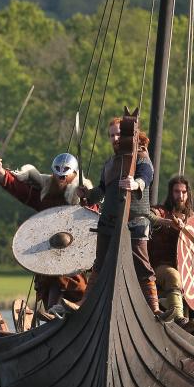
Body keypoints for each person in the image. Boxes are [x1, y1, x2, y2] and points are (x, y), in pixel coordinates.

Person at [75, 116, 160, 314]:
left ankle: (154, 308)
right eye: (112, 135)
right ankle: (85, 303)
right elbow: (101, 191)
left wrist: (136, 183)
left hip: (135, 220)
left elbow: (147, 175)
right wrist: (87, 194)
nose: (115, 139)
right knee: (99, 264)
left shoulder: (141, 157)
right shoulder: (110, 163)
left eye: (119, 134)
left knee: (142, 265)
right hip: (109, 220)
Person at [0, 152, 93, 310]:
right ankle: (53, 316)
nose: (61, 178)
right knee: (48, 286)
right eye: (58, 174)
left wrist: (85, 199)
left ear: (75, 174)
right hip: (48, 255)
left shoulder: (83, 195)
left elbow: (93, 215)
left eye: (65, 175)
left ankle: (60, 314)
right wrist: (1, 173)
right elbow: (22, 190)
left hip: (72, 259)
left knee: (68, 285)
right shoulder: (46, 193)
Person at [149, 175, 194, 331]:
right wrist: (170, 222)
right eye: (177, 191)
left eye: (184, 192)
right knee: (173, 275)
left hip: (185, 270)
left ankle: (187, 329)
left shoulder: (193, 219)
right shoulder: (161, 211)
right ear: (171, 193)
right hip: (158, 267)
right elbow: (149, 216)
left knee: (187, 282)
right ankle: (178, 318)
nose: (180, 196)